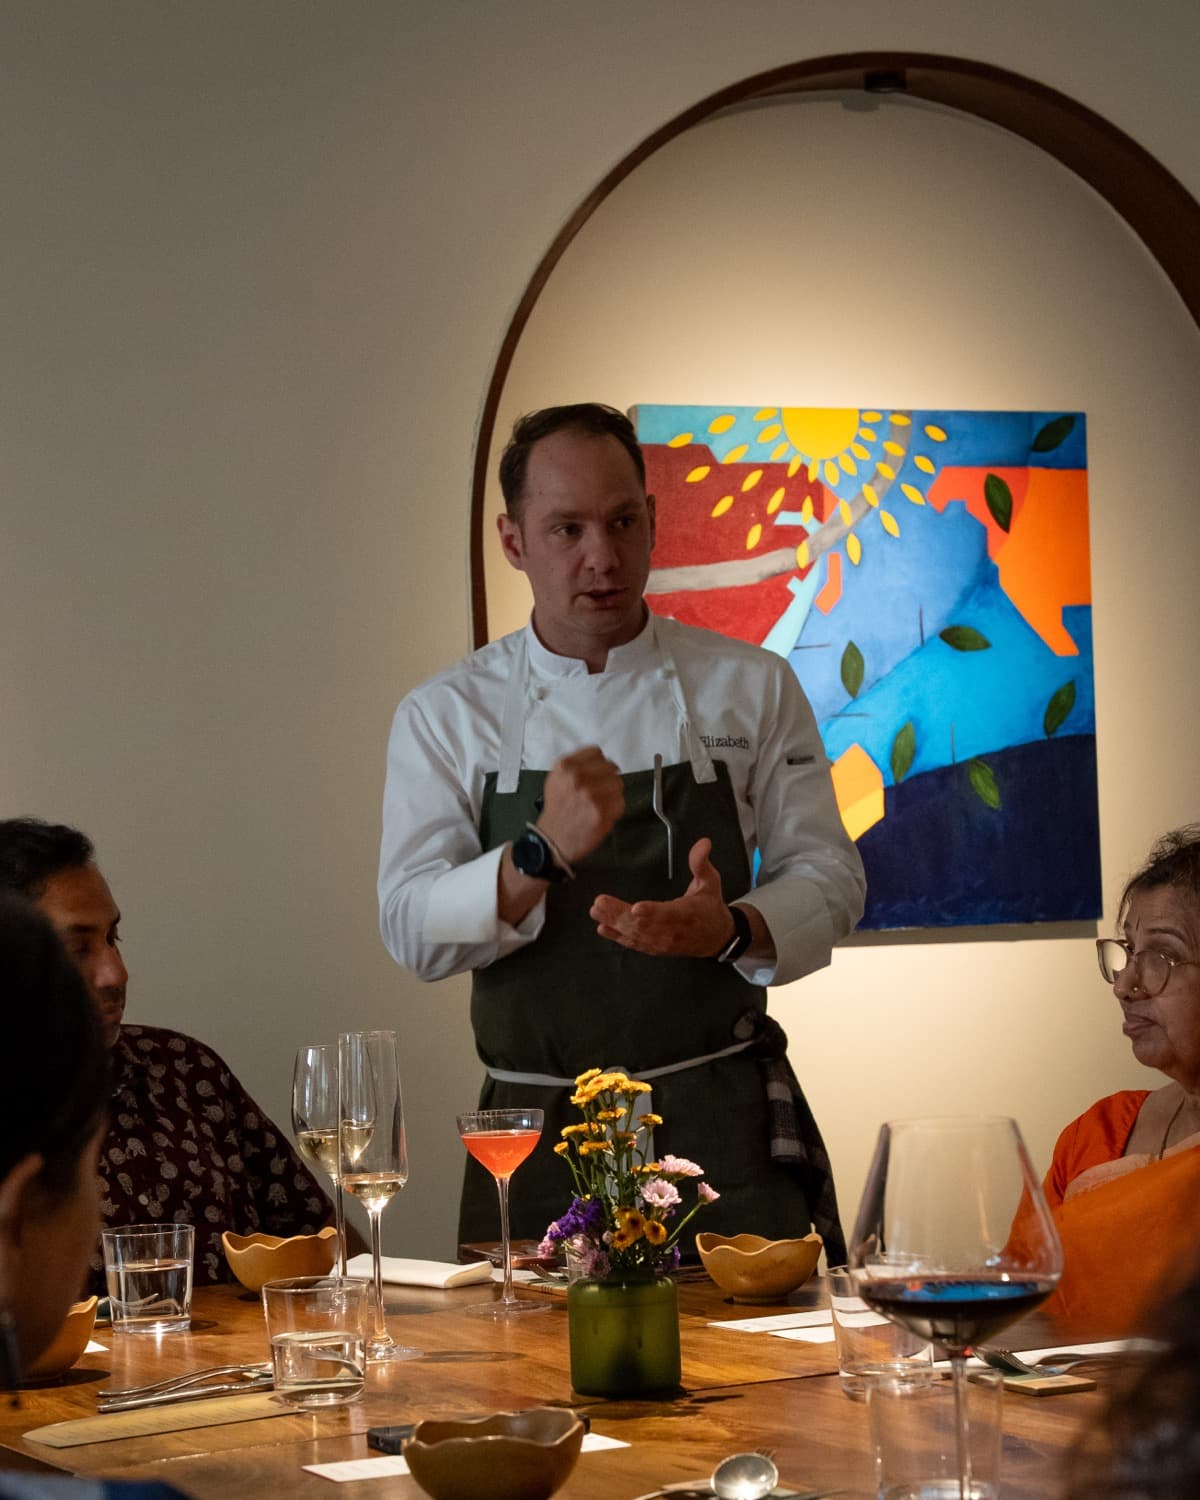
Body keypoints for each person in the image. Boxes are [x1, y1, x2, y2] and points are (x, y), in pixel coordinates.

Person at [379, 402, 866, 1256]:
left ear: (653, 522)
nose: (600, 556)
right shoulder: (444, 716)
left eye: (622, 521)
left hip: (717, 1114)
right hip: (530, 1136)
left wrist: (735, 928)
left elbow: (831, 876)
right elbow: (411, 930)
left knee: (764, 1386)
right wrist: (539, 851)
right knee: (530, 1384)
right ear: (514, 541)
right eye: (566, 528)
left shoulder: (751, 687)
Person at [0, 819, 330, 1290]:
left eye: (113, 939)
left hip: (237, 1364)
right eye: (76, 949)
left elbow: (315, 1236)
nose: (116, 974)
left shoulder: (183, 1068)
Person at [1040, 826, 1200, 1334]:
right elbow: (1018, 1299)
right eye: (1128, 951)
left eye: (1160, 958)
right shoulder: (1095, 1134)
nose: (1126, 985)